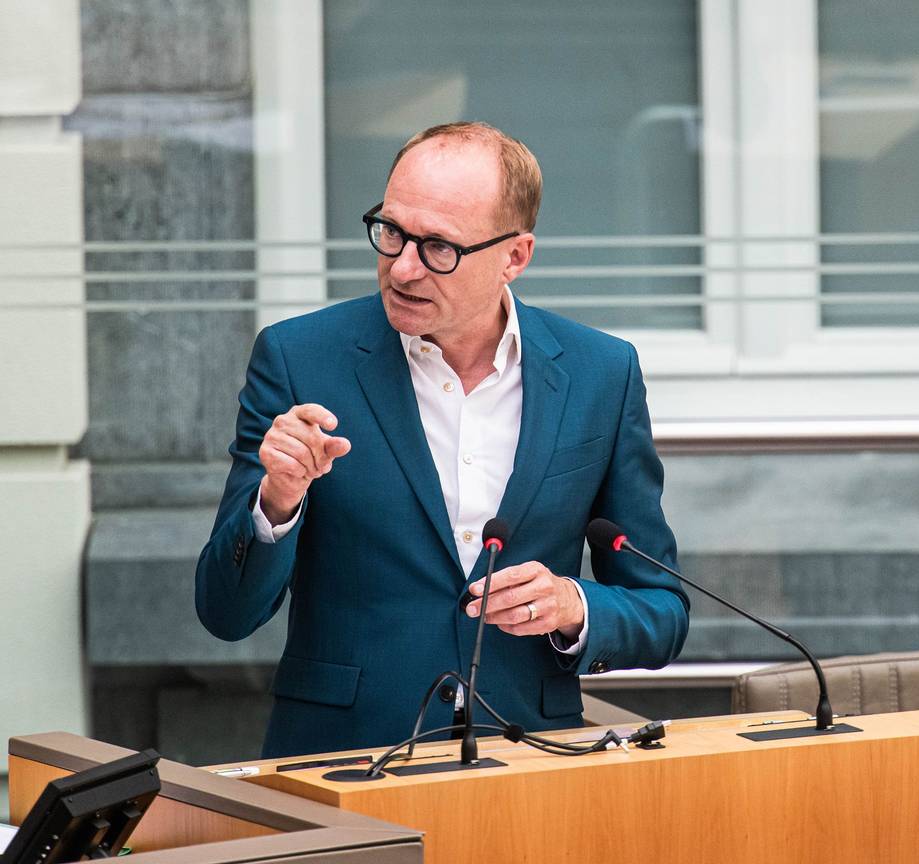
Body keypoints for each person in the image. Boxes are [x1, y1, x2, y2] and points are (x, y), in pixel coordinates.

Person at [195, 122, 690, 758]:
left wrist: (574, 605)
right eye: (391, 231)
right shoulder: (298, 359)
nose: (402, 267)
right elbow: (224, 612)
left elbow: (662, 610)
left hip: (531, 763)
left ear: (514, 256)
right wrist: (277, 501)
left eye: (438, 247)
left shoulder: (602, 372)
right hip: (345, 761)